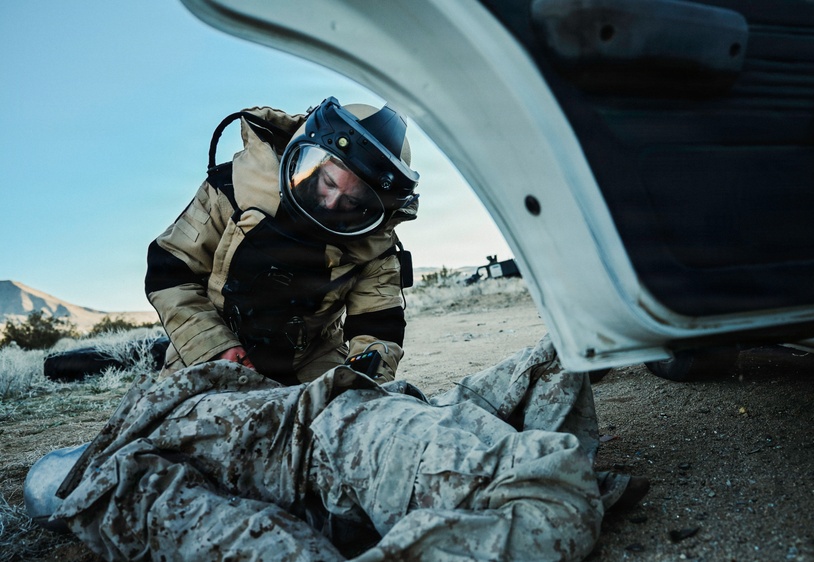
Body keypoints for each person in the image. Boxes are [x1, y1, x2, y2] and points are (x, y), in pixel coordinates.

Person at [31, 336, 648, 561]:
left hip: (361, 431)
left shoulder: (124, 483)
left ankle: (528, 477)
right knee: (556, 482)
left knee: (556, 491)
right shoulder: (137, 465)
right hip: (364, 431)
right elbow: (246, 534)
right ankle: (528, 475)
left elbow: (245, 537)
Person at [145, 96, 419, 385]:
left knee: (349, 418)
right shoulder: (231, 190)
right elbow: (170, 271)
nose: (330, 202)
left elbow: (377, 325)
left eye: (351, 201)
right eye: (327, 182)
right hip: (211, 347)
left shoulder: (374, 244)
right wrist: (214, 348)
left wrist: (362, 383)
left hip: (312, 361)